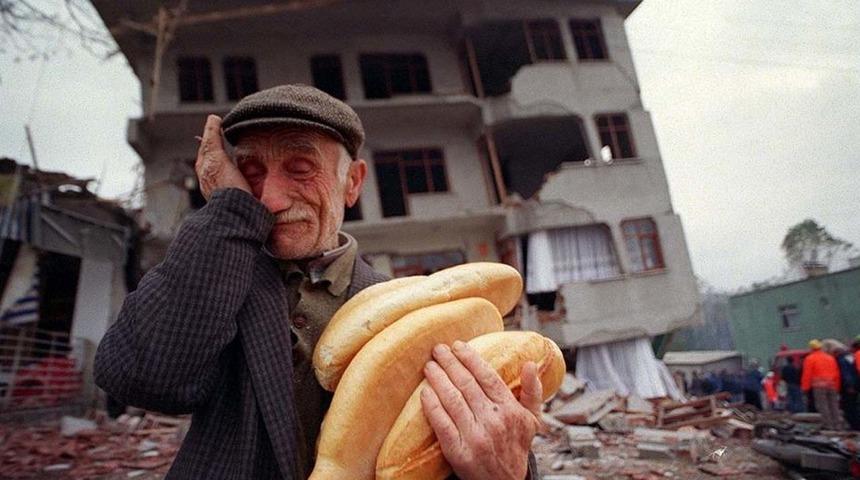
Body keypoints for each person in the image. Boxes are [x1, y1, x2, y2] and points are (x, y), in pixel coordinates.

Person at [94, 85, 542, 479]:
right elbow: (138, 376)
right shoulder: (216, 282)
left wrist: (510, 473)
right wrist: (230, 210)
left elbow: (445, 450)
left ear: (353, 183)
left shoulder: (414, 312)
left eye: (300, 167)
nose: (269, 198)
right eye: (251, 172)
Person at [801, 339, 843, 430]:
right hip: (831, 385)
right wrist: (837, 386)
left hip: (819, 386)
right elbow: (837, 373)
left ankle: (828, 425)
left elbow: (807, 374)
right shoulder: (830, 358)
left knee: (823, 406)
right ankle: (837, 424)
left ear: (811, 348)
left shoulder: (810, 358)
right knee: (834, 405)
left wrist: (805, 388)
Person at [833, 343, 859, 430]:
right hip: (856, 385)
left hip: (848, 388)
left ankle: (854, 426)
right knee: (854, 405)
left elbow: (846, 374)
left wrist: (849, 386)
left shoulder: (841, 360)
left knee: (848, 407)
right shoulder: (851, 358)